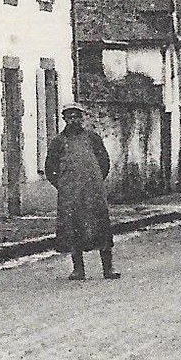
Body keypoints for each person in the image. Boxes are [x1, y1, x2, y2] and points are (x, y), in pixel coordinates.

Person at [44, 105, 121, 281]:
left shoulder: (93, 138)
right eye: (69, 117)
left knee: (101, 228)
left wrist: (94, 183)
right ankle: (78, 270)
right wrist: (64, 186)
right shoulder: (58, 142)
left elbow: (104, 162)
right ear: (64, 120)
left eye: (76, 117)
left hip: (93, 192)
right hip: (70, 195)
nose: (73, 120)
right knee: (73, 229)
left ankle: (108, 269)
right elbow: (50, 168)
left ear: (82, 118)